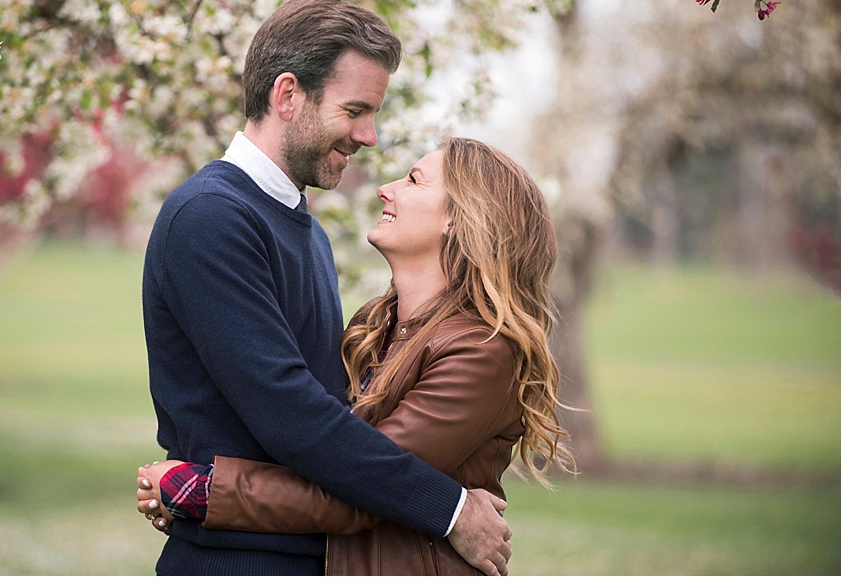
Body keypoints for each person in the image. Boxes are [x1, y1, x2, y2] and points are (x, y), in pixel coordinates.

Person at [140, 0, 512, 576]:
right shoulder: (212, 217)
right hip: (237, 561)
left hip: (311, 551)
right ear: (288, 95)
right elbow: (291, 413)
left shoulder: (301, 227)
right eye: (356, 110)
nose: (369, 135)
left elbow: (343, 412)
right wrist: (450, 509)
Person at [137, 137, 577, 574]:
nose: (387, 187)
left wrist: (198, 492)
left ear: (458, 220)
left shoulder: (481, 353)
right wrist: (454, 508)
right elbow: (337, 455)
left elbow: (357, 491)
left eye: (413, 180)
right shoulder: (376, 324)